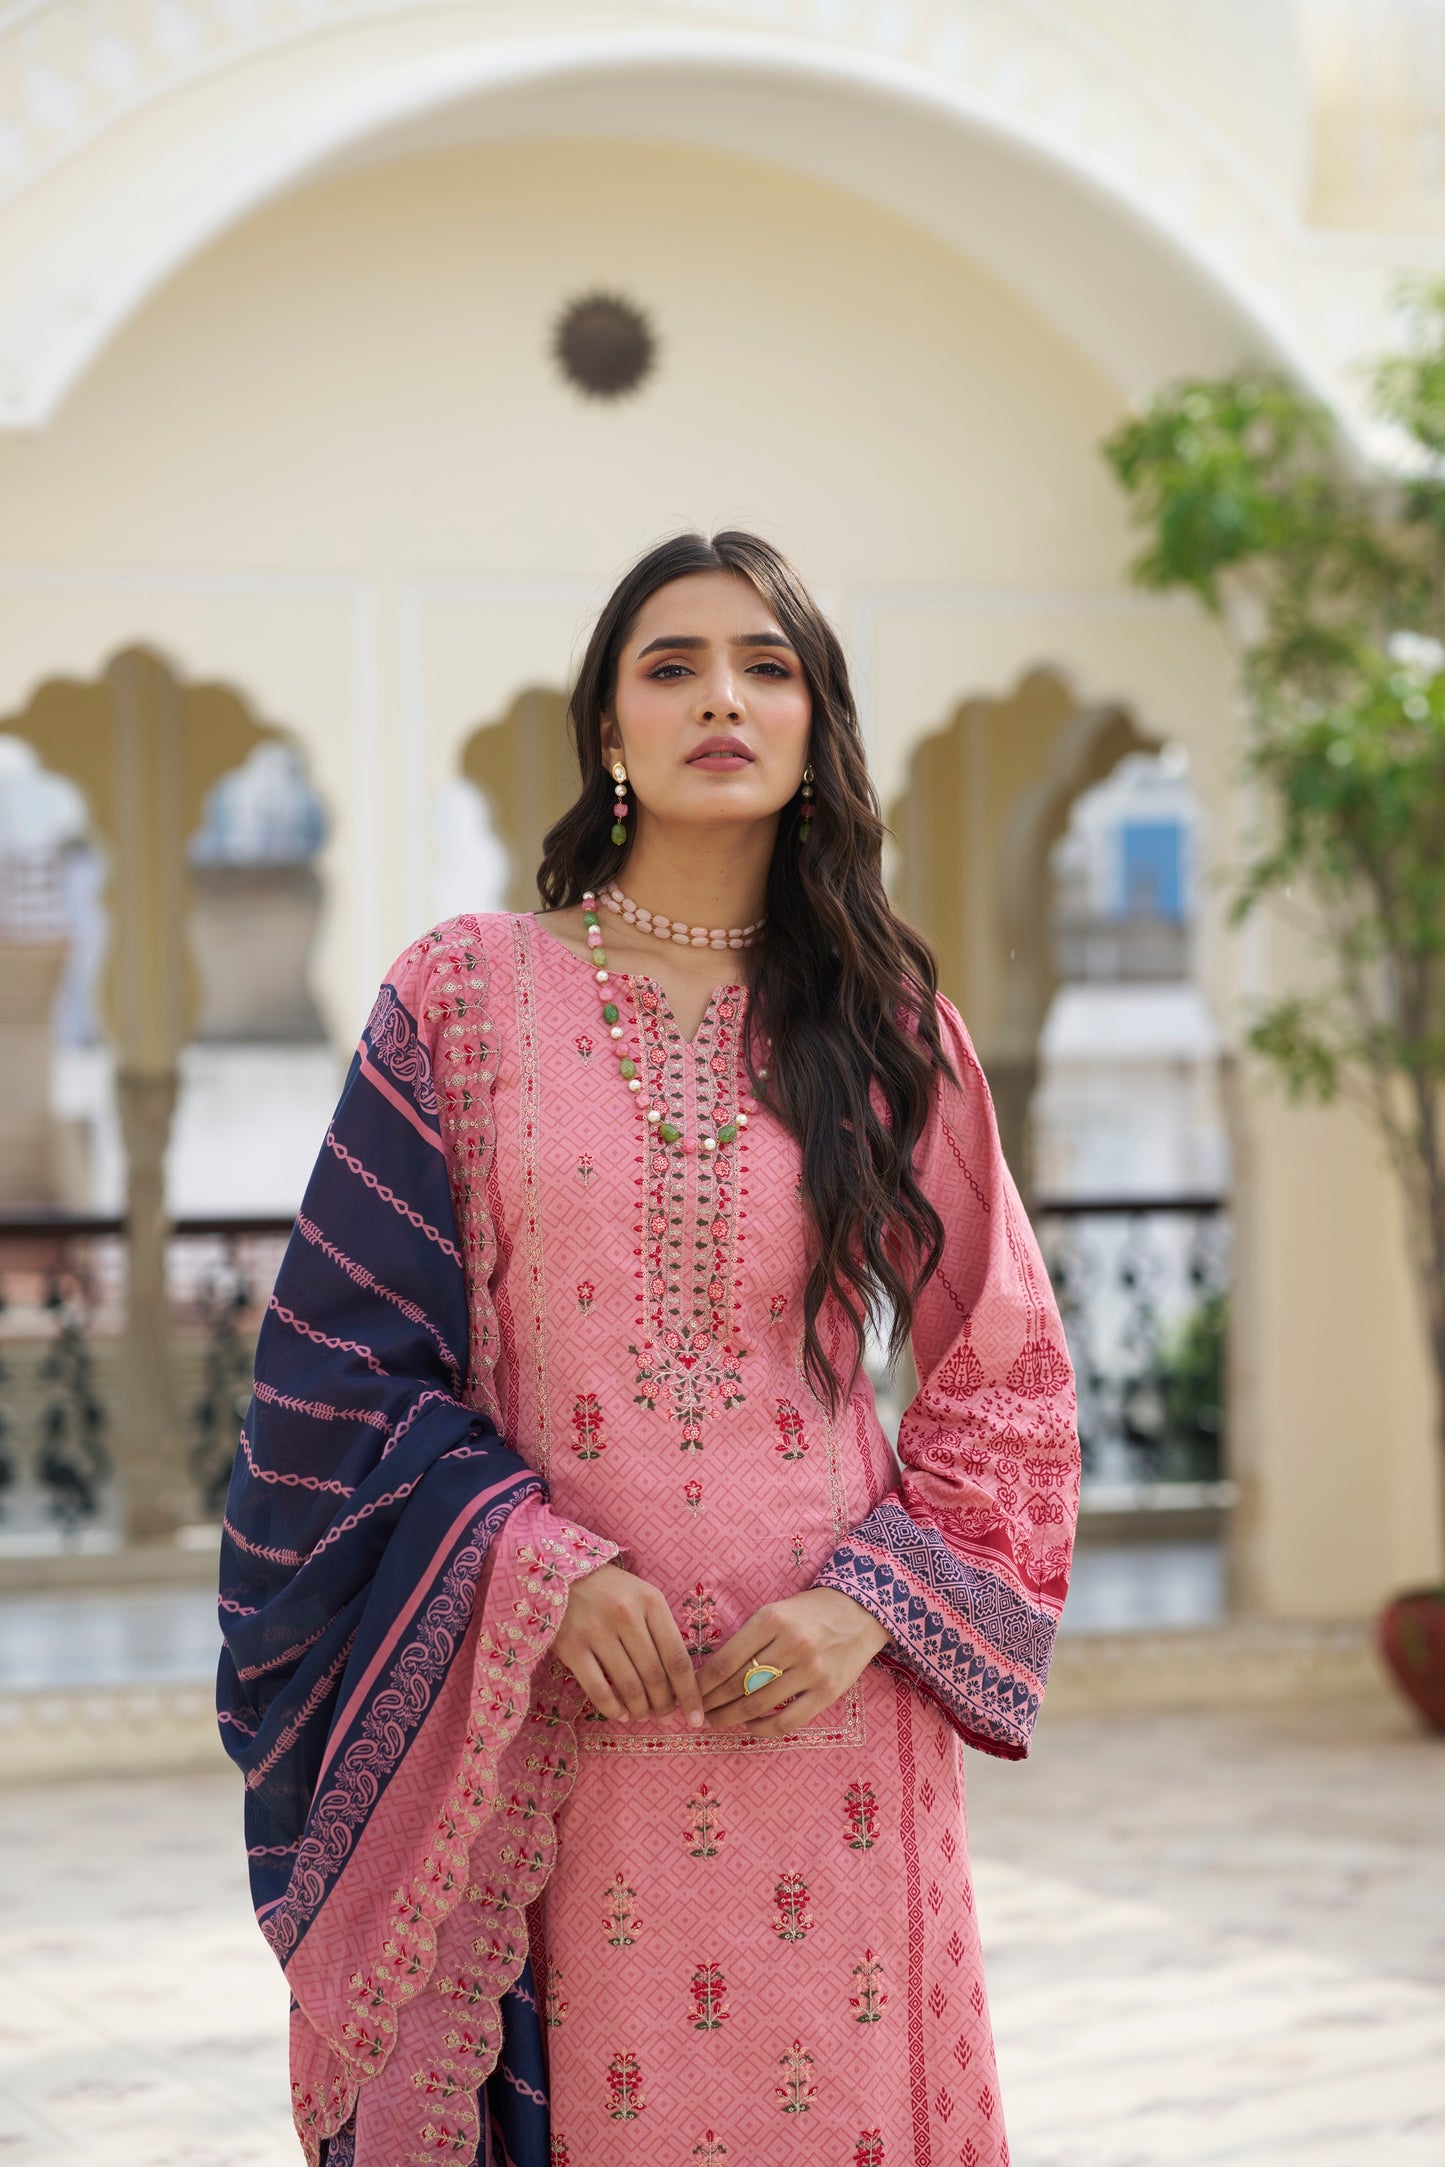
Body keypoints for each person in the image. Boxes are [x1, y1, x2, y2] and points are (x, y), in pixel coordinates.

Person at [219, 530, 1080, 2167]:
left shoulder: (890, 1026)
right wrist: (523, 1565)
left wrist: (867, 1609)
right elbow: (332, 1375)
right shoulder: (464, 996)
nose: (720, 700)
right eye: (669, 666)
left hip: (823, 1719)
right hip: (550, 1713)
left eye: (766, 667)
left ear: (816, 729)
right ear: (604, 728)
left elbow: (1007, 1387)